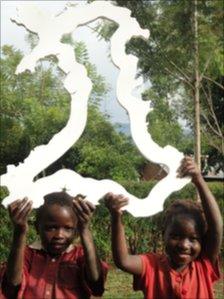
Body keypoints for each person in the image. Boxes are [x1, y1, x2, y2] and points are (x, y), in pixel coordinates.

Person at [105, 156, 223, 299]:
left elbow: (216, 227)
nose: (184, 245)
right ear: (163, 235)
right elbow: (123, 261)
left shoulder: (203, 264)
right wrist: (116, 217)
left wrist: (199, 181)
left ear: (202, 241)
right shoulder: (151, 266)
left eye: (193, 239)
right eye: (175, 236)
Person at [0, 191, 108, 299]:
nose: (59, 235)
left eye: (68, 228)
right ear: (38, 227)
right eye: (51, 227)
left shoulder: (79, 256)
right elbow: (12, 284)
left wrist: (84, 228)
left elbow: (96, 282)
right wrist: (20, 231)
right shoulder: (26, 255)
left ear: (76, 231)